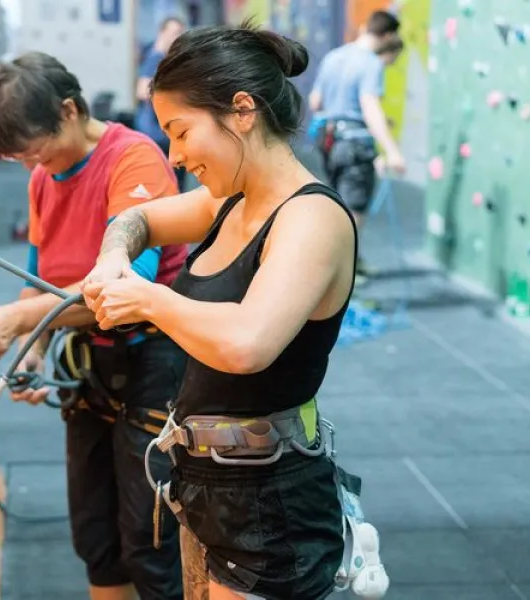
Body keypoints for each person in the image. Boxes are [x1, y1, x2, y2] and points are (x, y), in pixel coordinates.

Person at [80, 21, 359, 600]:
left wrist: (147, 297)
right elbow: (139, 220)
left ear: (240, 110)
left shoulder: (311, 219)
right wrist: (113, 259)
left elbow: (247, 344)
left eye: (181, 133)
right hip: (208, 488)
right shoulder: (228, 201)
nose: (176, 155)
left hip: (271, 504)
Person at [0, 51, 188, 600]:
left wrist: (18, 322)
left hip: (154, 359)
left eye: (35, 148)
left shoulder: (134, 160)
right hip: (89, 361)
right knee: (95, 534)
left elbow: (126, 290)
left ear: (70, 109)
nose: (33, 163)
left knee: (150, 539)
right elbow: (38, 276)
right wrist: (32, 351)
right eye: (20, 157)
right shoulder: (43, 177)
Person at [308, 10, 406, 282]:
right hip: (355, 145)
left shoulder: (333, 57)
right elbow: (369, 106)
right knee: (355, 210)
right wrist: (393, 150)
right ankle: (343, 273)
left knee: (340, 204)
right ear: (387, 35)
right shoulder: (371, 64)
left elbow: (316, 102)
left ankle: (350, 264)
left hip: (329, 141)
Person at [135, 16, 187, 191]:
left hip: (162, 134)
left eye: (179, 34)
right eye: (173, 33)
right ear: (162, 33)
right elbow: (142, 90)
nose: (176, 38)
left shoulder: (164, 59)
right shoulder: (155, 58)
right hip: (155, 133)